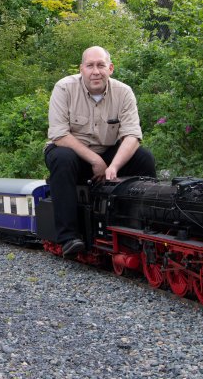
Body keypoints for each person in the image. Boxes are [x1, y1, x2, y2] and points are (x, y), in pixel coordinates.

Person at [44, 46, 156, 258]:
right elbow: (59, 134)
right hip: (71, 152)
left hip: (107, 153)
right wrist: (95, 160)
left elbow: (132, 135)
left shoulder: (124, 92)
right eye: (90, 66)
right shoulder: (64, 88)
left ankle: (144, 227)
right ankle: (69, 237)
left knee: (144, 158)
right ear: (81, 69)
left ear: (110, 68)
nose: (96, 71)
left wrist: (113, 166)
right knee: (62, 157)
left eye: (101, 65)